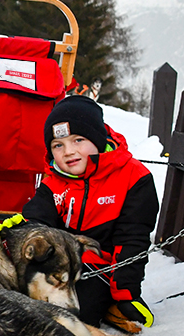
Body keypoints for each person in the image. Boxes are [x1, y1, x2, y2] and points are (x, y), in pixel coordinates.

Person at [21, 95, 158, 333]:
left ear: (97, 138)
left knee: (75, 314)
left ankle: (110, 304)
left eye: (78, 140)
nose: (68, 152)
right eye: (58, 145)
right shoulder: (55, 181)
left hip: (101, 269)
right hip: (61, 264)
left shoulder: (134, 178)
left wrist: (125, 294)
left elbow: (132, 239)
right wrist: (20, 230)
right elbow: (37, 220)